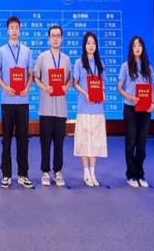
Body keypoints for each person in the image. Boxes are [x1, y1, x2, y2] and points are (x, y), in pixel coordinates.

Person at [0, 16, 34, 189]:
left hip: (23, 100)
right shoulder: (1, 51)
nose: (14, 30)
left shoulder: (26, 51)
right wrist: (5, 88)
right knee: (6, 139)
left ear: (20, 29)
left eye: (16, 27)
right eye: (11, 27)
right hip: (7, 101)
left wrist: (27, 87)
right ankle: (6, 175)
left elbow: (30, 73)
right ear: (7, 30)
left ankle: (23, 174)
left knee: (23, 139)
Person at [33, 25, 72, 187]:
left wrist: (66, 87)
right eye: (52, 36)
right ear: (48, 38)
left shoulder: (66, 59)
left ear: (62, 38)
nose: (55, 38)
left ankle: (57, 171)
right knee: (45, 142)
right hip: (46, 108)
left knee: (59, 142)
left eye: (58, 35)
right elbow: (35, 77)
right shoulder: (42, 57)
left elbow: (69, 80)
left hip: (61, 108)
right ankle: (44, 171)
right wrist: (44, 88)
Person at [118, 36, 154, 188]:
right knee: (131, 143)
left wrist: (152, 103)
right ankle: (131, 175)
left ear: (142, 48)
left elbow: (151, 88)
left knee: (142, 144)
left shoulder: (148, 67)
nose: (137, 48)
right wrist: (129, 97)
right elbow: (119, 87)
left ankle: (140, 174)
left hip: (145, 109)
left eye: (139, 45)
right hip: (130, 108)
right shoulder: (125, 66)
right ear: (131, 49)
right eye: (134, 45)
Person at [72, 32, 107, 187]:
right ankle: (86, 172)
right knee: (84, 141)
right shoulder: (79, 63)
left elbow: (102, 83)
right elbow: (75, 83)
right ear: (84, 45)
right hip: (84, 107)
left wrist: (103, 93)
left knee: (95, 141)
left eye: (93, 43)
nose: (91, 46)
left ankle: (93, 172)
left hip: (98, 108)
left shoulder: (100, 63)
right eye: (88, 43)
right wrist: (85, 93)